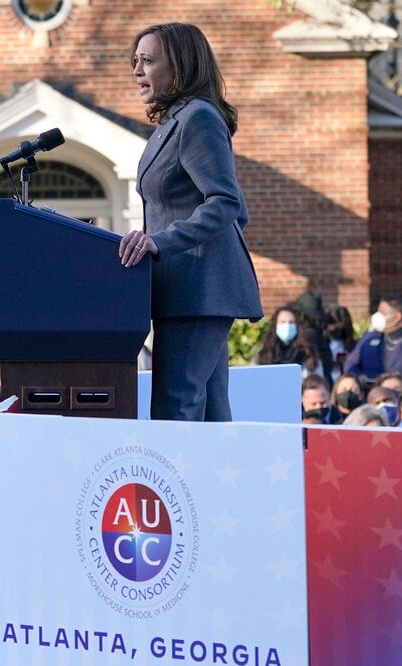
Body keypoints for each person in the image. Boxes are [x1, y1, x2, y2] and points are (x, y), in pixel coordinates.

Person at [119, 23, 262, 422]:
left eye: (148, 61)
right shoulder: (175, 122)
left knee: (175, 408)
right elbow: (238, 210)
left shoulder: (198, 118)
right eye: (135, 61)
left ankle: (182, 489)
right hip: (189, 288)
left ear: (179, 67)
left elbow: (227, 202)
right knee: (211, 414)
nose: (137, 70)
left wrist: (160, 242)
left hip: (198, 290)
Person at [253, 306, 324, 379]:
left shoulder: (309, 352)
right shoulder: (264, 352)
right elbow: (253, 376)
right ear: (275, 326)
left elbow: (318, 381)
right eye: (283, 322)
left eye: (291, 322)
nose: (287, 326)